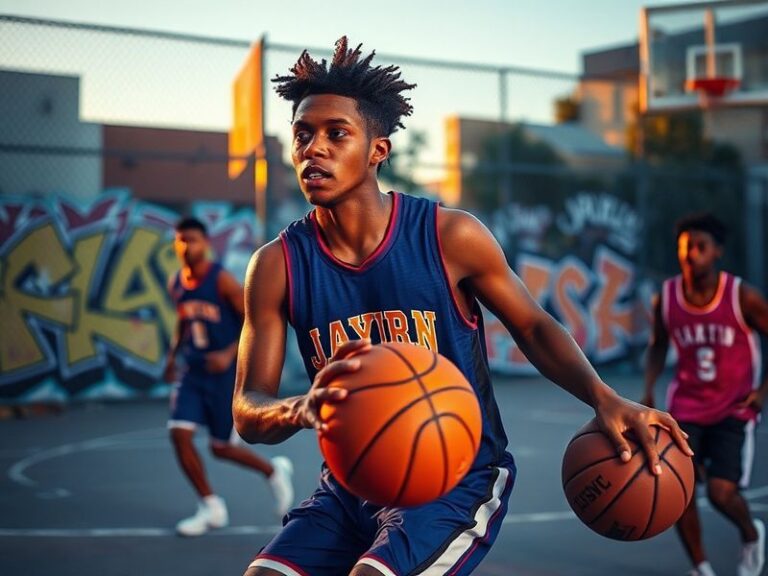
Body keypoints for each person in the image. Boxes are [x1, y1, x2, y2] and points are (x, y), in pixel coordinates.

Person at [233, 37, 691, 576]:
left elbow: (533, 325)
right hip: (349, 483)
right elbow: (248, 408)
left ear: (378, 150)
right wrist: (303, 407)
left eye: (338, 134)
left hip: (455, 476)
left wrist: (604, 398)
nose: (315, 148)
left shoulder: (449, 236)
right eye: (303, 134)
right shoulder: (276, 265)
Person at [642, 213, 767, 576]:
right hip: (686, 408)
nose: (691, 254)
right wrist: (649, 388)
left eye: (700, 247)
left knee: (721, 493)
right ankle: (701, 568)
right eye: (685, 248)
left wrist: (762, 392)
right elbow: (657, 346)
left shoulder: (742, 295)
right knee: (680, 489)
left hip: (734, 408)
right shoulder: (666, 298)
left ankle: (750, 533)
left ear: (717, 253)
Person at [164, 216, 294, 537]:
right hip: (193, 371)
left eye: (191, 240)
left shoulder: (220, 280)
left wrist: (228, 353)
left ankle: (272, 470)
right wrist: (171, 356)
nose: (185, 246)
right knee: (179, 433)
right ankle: (211, 506)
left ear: (205, 244)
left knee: (221, 447)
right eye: (180, 240)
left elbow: (252, 320)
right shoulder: (177, 283)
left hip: (222, 375)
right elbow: (184, 322)